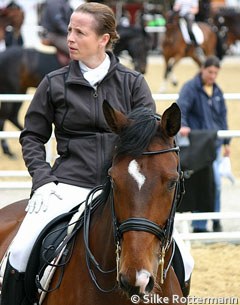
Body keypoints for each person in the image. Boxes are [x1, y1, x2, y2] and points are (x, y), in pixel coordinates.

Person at [0, 3, 193, 304]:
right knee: (21, 250)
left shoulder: (133, 83)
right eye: (69, 31)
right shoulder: (53, 83)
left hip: (124, 191)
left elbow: (150, 142)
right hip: (66, 186)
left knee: (185, 258)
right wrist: (43, 179)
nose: (70, 38)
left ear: (103, 39)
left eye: (80, 32)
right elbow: (33, 137)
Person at [177, 55, 231, 233]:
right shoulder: (190, 88)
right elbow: (181, 108)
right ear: (202, 69)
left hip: (213, 144)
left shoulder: (217, 91)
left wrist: (226, 141)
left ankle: (215, 220)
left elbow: (222, 117)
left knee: (215, 183)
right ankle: (199, 224)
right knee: (204, 181)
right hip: (199, 146)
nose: (213, 76)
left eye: (216, 73)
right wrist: (183, 125)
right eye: (210, 72)